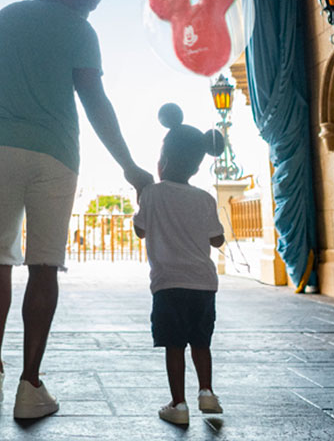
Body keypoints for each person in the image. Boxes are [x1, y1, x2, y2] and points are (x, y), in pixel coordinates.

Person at [0, 0, 155, 419]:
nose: (87, 14)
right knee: (44, 266)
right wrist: (129, 166)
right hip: (56, 157)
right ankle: (30, 385)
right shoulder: (79, 30)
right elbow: (95, 101)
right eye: (88, 6)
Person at [133, 103, 227, 426]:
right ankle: (207, 392)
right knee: (201, 342)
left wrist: (140, 198)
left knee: (174, 345)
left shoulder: (152, 194)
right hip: (203, 284)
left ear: (164, 162)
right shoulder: (204, 198)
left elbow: (140, 229)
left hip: (168, 284)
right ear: (197, 169)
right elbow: (217, 240)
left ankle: (178, 404)